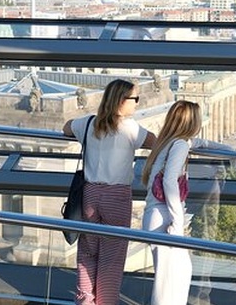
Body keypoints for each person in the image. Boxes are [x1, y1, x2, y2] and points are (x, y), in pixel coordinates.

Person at [62, 79, 157, 305]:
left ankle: (84, 301)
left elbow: (66, 128)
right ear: (122, 101)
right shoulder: (131, 128)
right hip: (117, 196)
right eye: (135, 99)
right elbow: (156, 142)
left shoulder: (88, 124)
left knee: (87, 254)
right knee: (111, 259)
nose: (137, 104)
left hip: (90, 194)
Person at [140, 100, 236, 305]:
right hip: (165, 217)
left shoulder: (170, 141)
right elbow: (169, 180)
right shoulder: (180, 145)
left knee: (176, 276)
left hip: (157, 215)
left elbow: (201, 143)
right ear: (193, 121)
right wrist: (177, 222)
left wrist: (230, 151)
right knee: (171, 284)